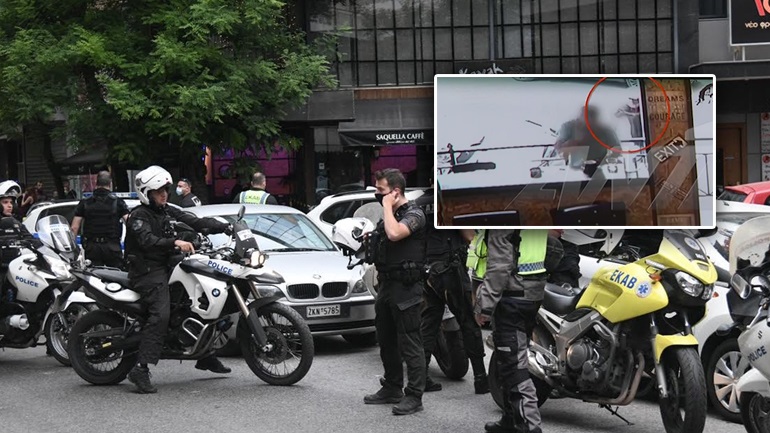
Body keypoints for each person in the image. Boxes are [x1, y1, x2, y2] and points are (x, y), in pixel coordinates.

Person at [124, 165, 232, 394]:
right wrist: (174, 243)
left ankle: (204, 353)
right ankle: (140, 369)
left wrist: (227, 226)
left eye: (165, 189)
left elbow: (195, 221)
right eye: (158, 191)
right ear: (147, 193)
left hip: (169, 266)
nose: (164, 194)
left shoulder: (166, 210)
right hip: (146, 271)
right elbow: (147, 240)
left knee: (199, 302)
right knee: (161, 314)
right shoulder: (138, 216)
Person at [476, 230, 563, 433]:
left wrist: (484, 307)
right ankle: (510, 420)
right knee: (509, 359)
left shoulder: (503, 219)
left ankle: (529, 426)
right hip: (531, 292)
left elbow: (499, 267)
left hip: (512, 297)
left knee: (514, 365)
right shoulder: (532, 211)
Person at [363, 168, 427, 416]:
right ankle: (392, 387)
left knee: (410, 342)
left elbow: (395, 233)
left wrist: (387, 207)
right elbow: (384, 236)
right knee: (386, 340)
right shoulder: (390, 214)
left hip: (407, 288)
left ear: (396, 191)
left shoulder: (414, 214)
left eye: (381, 191)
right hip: (387, 285)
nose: (378, 195)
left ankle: (414, 396)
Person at [419, 201, 488, 394]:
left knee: (429, 323)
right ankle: (481, 378)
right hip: (451, 270)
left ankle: (421, 378)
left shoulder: (419, 204)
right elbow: (468, 235)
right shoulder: (449, 204)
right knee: (467, 321)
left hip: (427, 271)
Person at [70, 171, 129, 269]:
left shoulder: (85, 203)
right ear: (110, 183)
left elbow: (74, 228)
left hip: (92, 248)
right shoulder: (118, 202)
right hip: (112, 247)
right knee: (117, 276)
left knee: (94, 278)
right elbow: (129, 222)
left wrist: (73, 251)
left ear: (96, 183)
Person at [555, 106, 621, 179]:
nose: (589, 121)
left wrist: (606, 160)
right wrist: (578, 142)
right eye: (586, 117)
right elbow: (559, 147)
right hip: (574, 170)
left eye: (592, 118)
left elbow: (617, 148)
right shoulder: (568, 127)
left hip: (599, 168)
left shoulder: (605, 129)